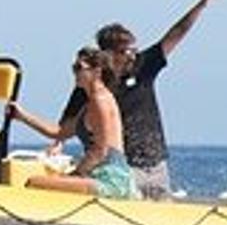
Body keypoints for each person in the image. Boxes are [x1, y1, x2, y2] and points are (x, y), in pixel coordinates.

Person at [52, 0, 222, 198]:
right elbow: (66, 125)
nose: (133, 54)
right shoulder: (91, 85)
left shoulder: (143, 66)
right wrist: (56, 145)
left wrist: (201, 5)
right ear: (108, 54)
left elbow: (175, 34)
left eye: (134, 49)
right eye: (126, 51)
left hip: (156, 166)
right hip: (122, 169)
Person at [9, 48, 135, 199]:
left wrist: (75, 174)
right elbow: (59, 132)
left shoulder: (100, 101)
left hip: (110, 179)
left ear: (97, 71)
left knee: (34, 183)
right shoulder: (89, 104)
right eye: (73, 68)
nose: (74, 73)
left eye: (79, 68)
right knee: (47, 181)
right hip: (100, 173)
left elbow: (101, 150)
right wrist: (21, 115)